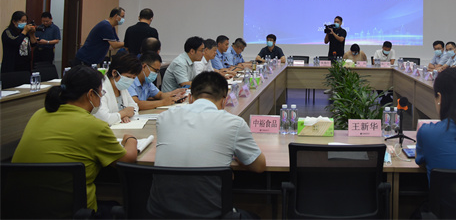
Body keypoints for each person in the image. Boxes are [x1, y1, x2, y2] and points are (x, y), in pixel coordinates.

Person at [12, 65, 138, 213]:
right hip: (71, 211)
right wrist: (130, 138)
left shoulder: (39, 114)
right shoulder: (94, 126)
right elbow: (127, 160)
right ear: (91, 94)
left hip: (21, 209)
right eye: (101, 93)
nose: (101, 97)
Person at [149, 71, 266, 218]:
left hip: (161, 212)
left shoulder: (164, 117)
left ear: (190, 98)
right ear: (224, 101)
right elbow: (259, 166)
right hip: (211, 214)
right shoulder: (234, 123)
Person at [93, 53, 140, 125]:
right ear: (114, 73)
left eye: (133, 78)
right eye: (128, 77)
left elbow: (134, 107)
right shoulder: (101, 88)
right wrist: (123, 113)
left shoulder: (121, 87)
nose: (130, 80)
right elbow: (104, 118)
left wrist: (125, 115)